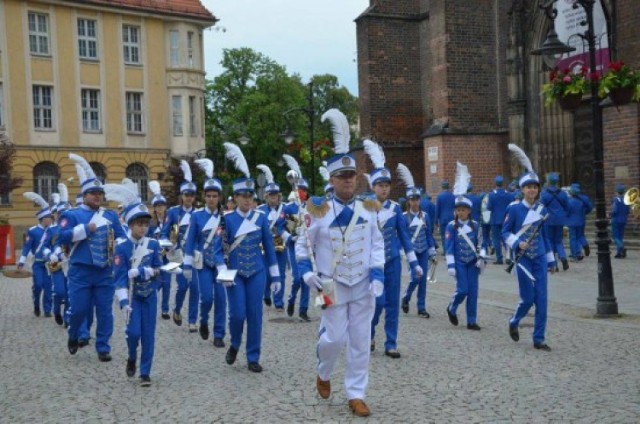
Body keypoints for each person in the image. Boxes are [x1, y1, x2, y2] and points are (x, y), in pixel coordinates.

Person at [296, 109, 384, 417]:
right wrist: (306, 272)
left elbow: (376, 243)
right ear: (332, 180)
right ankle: (324, 371)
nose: (348, 181)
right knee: (333, 338)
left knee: (361, 340)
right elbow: (301, 245)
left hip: (362, 284)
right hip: (330, 285)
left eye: (351, 176)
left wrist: (377, 273)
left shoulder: (369, 207)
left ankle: (356, 393)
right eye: (342, 176)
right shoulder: (317, 210)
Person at [56, 153, 126, 361]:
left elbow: (122, 238)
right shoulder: (72, 215)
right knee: (78, 310)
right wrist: (84, 229)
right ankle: (74, 333)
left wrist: (125, 249)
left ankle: (103, 347)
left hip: (104, 271)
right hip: (81, 271)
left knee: (105, 312)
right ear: (84, 195)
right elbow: (61, 237)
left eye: (99, 193)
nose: (97, 196)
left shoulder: (110, 215)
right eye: (92, 193)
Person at [222, 142, 282, 373]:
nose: (247, 200)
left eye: (250, 196)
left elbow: (268, 245)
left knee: (255, 315)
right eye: (242, 196)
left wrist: (275, 276)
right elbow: (221, 247)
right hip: (235, 272)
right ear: (235, 198)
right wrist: (221, 267)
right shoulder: (226, 220)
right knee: (237, 314)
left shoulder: (260, 218)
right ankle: (235, 343)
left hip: (257, 271)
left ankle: (253, 356)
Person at [363, 140, 422, 359]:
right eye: (380, 185)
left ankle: (391, 342)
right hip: (372, 263)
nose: (384, 188)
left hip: (393, 261)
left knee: (392, 304)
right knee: (376, 303)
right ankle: (369, 334)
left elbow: (405, 238)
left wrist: (414, 262)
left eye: (387, 185)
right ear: (373, 187)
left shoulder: (396, 209)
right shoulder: (364, 207)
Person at [503, 144, 556, 352]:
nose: (532, 190)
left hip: (540, 257)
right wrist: (517, 243)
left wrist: (551, 260)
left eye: (535, 187)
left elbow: (545, 235)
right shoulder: (514, 209)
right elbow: (504, 233)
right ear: (522, 190)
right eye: (528, 187)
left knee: (542, 300)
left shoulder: (543, 209)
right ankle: (515, 320)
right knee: (528, 299)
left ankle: (539, 338)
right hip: (522, 259)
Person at [112, 187, 163, 387]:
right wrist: (124, 302)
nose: (143, 228)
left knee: (148, 335)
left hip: (149, 295)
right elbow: (119, 279)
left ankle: (145, 372)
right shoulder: (122, 247)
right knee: (133, 334)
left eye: (145, 224)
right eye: (139, 224)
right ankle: (132, 356)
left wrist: (145, 273)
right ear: (131, 224)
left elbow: (160, 269)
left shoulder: (153, 245)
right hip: (132, 298)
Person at [183, 159, 227, 347]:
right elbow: (191, 240)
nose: (211, 199)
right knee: (207, 298)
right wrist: (186, 263)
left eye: (214, 195)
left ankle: (219, 334)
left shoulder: (226, 217)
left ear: (219, 197)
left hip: (220, 264)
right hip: (203, 264)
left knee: (221, 299)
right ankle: (203, 319)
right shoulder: (197, 216)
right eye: (208, 195)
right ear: (204, 197)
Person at [445, 163, 486, 330]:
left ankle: (471, 320)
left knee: (473, 292)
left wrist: (482, 257)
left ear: (469, 211)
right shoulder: (451, 226)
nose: (460, 212)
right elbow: (448, 246)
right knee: (462, 290)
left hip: (473, 263)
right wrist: (451, 265)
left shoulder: (476, 225)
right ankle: (452, 307)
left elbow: (483, 243)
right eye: (458, 210)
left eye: (463, 210)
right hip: (460, 262)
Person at [160, 160, 198, 331]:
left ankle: (192, 321)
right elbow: (163, 232)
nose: (189, 197)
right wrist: (168, 245)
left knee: (195, 287)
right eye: (186, 194)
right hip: (179, 254)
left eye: (191, 195)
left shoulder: (199, 214)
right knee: (183, 285)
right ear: (182, 196)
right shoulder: (173, 212)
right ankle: (176, 309)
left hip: (196, 254)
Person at [399, 164, 437, 319]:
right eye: (412, 199)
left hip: (423, 251)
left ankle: (421, 307)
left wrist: (432, 250)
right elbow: (402, 236)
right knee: (416, 278)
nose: (415, 202)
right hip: (411, 252)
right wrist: (404, 251)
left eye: (417, 199)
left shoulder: (425, 216)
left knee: (423, 281)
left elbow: (428, 234)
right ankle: (406, 297)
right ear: (408, 201)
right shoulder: (403, 217)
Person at [282, 154, 311, 321]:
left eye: (304, 191)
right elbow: (281, 227)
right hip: (293, 247)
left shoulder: (312, 208)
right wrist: (289, 237)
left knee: (307, 278)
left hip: (308, 246)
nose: (302, 193)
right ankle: (292, 299)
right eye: (300, 190)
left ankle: (304, 309)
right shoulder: (289, 207)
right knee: (298, 278)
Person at [256, 164, 288, 311]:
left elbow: (291, 223)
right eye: (270, 195)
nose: (273, 198)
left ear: (279, 196)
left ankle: (279, 301)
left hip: (281, 245)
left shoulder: (285, 208)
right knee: (267, 273)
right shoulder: (260, 211)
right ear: (266, 196)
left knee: (280, 273)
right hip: (265, 246)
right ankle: (266, 293)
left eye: (275, 195)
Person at [18, 192, 54, 318]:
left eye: (51, 218)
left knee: (49, 287)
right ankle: (36, 304)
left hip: (50, 263)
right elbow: (27, 247)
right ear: (43, 219)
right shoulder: (33, 231)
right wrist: (21, 262)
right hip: (38, 263)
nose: (50, 220)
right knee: (38, 285)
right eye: (49, 218)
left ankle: (48, 309)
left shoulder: (52, 230)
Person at [147, 181, 171, 320]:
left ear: (165, 207)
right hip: (155, 258)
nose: (159, 208)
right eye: (157, 206)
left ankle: (165, 310)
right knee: (157, 283)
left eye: (161, 205)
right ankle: (151, 304)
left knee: (167, 283)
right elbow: (148, 239)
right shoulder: (151, 223)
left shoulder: (170, 221)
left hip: (168, 257)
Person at [540, 172, 570, 271]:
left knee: (549, 242)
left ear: (548, 182)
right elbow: (567, 207)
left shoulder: (544, 194)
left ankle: (554, 265)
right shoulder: (563, 193)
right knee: (558, 241)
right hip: (560, 220)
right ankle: (563, 257)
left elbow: (541, 208)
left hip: (549, 220)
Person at [487, 175, 512, 265]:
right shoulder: (508, 194)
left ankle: (499, 258)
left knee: (496, 239)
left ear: (495, 183)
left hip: (495, 219)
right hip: (506, 219)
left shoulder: (492, 195)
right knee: (506, 238)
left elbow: (489, 207)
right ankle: (509, 256)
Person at [567, 183, 593, 261]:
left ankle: (575, 254)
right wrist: (584, 213)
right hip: (581, 220)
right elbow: (589, 208)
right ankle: (583, 246)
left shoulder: (569, 201)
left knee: (573, 238)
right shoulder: (583, 200)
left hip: (571, 222)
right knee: (580, 236)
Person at [610, 183, 630, 258]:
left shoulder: (616, 200)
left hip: (616, 220)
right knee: (620, 236)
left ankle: (621, 247)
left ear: (617, 191)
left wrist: (610, 215)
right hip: (623, 219)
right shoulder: (626, 200)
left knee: (615, 237)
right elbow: (628, 211)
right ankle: (619, 253)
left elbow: (614, 210)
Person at [435, 180, 455, 252]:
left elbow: (437, 209)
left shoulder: (439, 196)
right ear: (448, 187)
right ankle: (451, 249)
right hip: (452, 218)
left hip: (443, 219)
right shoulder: (453, 196)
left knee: (444, 236)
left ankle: (445, 250)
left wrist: (436, 221)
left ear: (442, 187)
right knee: (452, 234)